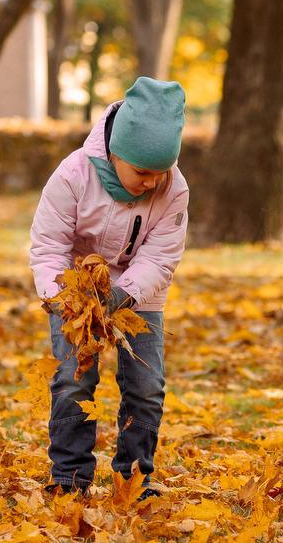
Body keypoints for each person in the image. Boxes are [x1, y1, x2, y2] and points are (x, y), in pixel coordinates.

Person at [28, 77, 189, 499]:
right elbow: (48, 247)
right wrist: (60, 297)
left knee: (146, 386)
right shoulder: (73, 175)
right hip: (76, 295)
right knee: (72, 381)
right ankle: (70, 475)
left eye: (161, 172)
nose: (153, 182)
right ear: (117, 152)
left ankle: (133, 477)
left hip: (141, 297)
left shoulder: (174, 190)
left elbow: (161, 257)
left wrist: (124, 294)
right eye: (143, 172)